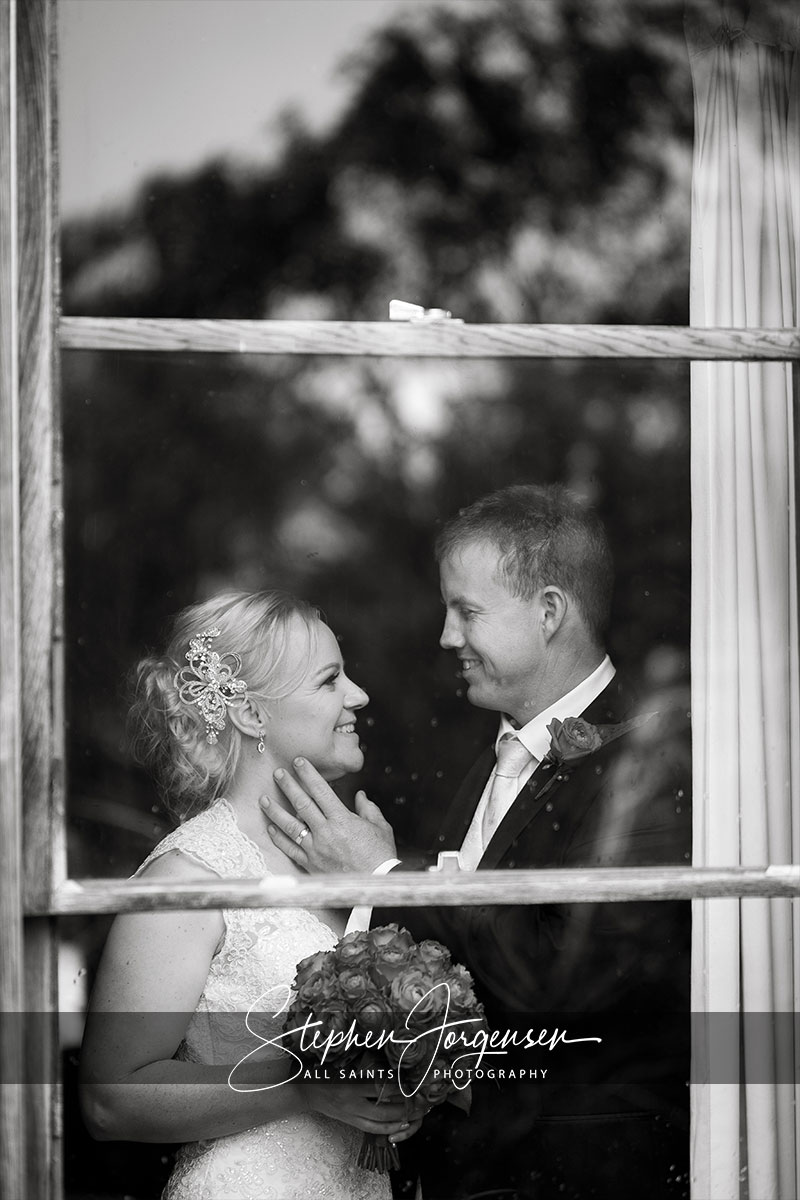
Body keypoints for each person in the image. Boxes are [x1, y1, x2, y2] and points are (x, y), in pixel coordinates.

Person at [264, 484, 692, 1200]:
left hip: (581, 1174)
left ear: (550, 612)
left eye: (467, 611)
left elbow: (563, 973)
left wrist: (383, 876)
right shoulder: (491, 761)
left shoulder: (641, 767)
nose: (446, 637)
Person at [79, 589, 423, 1200]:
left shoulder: (349, 855)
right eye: (330, 680)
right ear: (252, 716)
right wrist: (301, 1087)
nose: (359, 695)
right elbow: (111, 1099)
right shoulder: (190, 877)